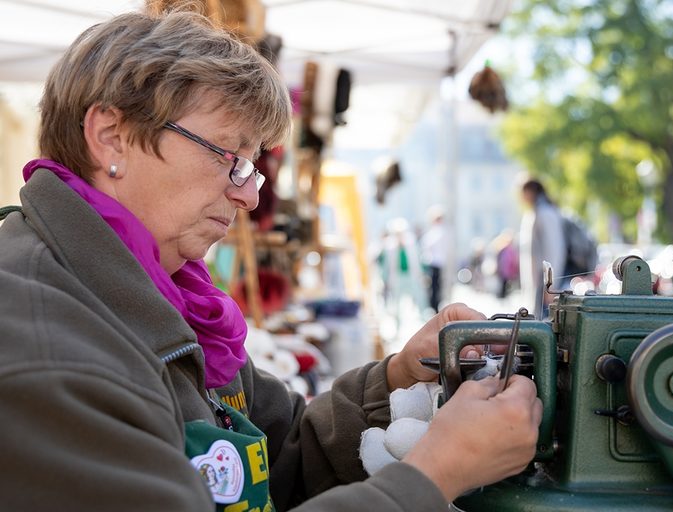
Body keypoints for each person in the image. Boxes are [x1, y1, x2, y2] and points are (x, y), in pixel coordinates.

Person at [0, 9, 542, 511]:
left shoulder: (165, 300)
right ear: (111, 137)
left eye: (251, 167)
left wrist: (397, 378)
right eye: (227, 157)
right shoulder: (43, 344)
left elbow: (281, 453)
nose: (250, 196)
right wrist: (431, 476)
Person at [518, 178, 567, 318]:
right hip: (540, 282)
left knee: (544, 325)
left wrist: (550, 286)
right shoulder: (538, 211)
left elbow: (554, 250)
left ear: (530, 191)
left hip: (544, 282)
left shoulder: (544, 213)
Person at [420, 205, 449, 312]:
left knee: (435, 287)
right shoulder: (436, 231)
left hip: (436, 262)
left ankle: (434, 305)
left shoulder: (439, 231)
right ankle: (433, 305)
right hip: (433, 262)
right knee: (433, 286)